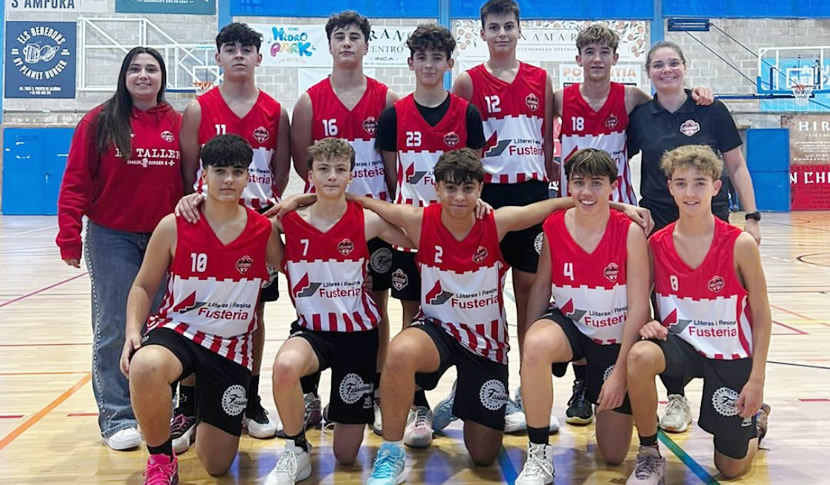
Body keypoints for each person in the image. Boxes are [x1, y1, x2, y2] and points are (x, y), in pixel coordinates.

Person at [356, 148, 649, 485]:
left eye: (468, 189)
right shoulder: (420, 221)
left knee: (485, 455)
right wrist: (315, 197)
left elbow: (557, 204)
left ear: (480, 189)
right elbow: (366, 204)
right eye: (450, 188)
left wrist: (619, 206)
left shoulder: (496, 222)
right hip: (438, 332)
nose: (459, 197)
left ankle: (461, 398)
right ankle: (391, 454)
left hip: (485, 345)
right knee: (399, 351)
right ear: (436, 188)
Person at [556, 25, 714, 427]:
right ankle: (582, 385)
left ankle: (674, 392)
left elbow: (670, 102)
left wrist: (697, 92)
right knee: (580, 298)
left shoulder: (631, 98)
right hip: (575, 212)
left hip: (624, 214)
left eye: (603, 52)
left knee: (651, 299)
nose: (596, 59)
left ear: (615, 58)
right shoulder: (559, 99)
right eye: (589, 51)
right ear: (578, 58)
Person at [119, 134, 283, 485]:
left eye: (237, 171)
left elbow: (298, 265)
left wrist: (298, 202)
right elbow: (143, 286)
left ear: (248, 177)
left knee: (217, 465)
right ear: (203, 174)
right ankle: (161, 459)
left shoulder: (263, 230)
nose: (228, 179)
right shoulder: (174, 225)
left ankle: (202, 415)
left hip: (230, 346)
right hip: (180, 330)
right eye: (219, 171)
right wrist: (133, 330)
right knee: (145, 365)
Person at [627, 40, 764, 433]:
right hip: (660, 221)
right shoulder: (641, 116)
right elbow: (620, 162)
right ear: (649, 73)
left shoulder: (711, 109)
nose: (666, 70)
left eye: (673, 63)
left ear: (685, 68)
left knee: (721, 307)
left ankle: (745, 386)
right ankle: (677, 397)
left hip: (709, 221)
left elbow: (736, 165)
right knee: (668, 310)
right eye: (658, 65)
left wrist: (752, 217)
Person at [262, 138, 412, 485]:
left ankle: (344, 416)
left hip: (358, 337)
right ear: (310, 175)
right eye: (324, 169)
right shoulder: (287, 221)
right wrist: (295, 201)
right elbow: (246, 222)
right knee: (284, 367)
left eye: (340, 169)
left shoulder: (367, 221)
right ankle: (296, 449)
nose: (332, 176)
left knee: (346, 455)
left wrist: (365, 200)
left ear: (351, 175)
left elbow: (416, 237)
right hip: (312, 332)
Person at [56, 46, 183, 451]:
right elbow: (76, 180)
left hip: (164, 238)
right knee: (114, 325)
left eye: (151, 69)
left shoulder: (178, 123)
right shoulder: (99, 121)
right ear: (124, 77)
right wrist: (69, 235)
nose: (143, 75)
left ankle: (162, 411)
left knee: (164, 326)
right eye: (135, 69)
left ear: (162, 77)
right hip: (113, 237)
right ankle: (117, 415)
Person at [175, 22, 291, 447]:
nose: (239, 54)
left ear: (259, 57)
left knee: (253, 314)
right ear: (218, 56)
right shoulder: (198, 109)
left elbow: (280, 171)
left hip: (254, 226)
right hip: (206, 224)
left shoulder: (275, 111)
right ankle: (188, 405)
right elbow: (189, 170)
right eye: (230, 48)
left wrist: (260, 208)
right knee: (193, 309)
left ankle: (248, 398)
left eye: (246, 48)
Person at [625, 145, 771, 484]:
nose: (690, 192)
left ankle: (755, 424)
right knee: (640, 355)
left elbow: (762, 316)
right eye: (681, 183)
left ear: (716, 187)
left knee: (730, 468)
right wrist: (647, 320)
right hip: (682, 347)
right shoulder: (656, 244)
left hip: (730, 352)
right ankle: (649, 452)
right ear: (670, 187)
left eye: (700, 183)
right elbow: (639, 299)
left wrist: (757, 379)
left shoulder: (740, 244)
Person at [286, 10, 400, 436]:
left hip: (371, 221)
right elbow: (302, 164)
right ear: (330, 44)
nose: (347, 42)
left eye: (355, 36)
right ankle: (310, 395)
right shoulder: (309, 101)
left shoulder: (386, 99)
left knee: (375, 307)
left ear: (366, 45)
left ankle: (372, 390)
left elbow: (392, 165)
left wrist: (384, 209)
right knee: (313, 300)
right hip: (325, 221)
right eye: (340, 36)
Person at [374, 22, 485, 445]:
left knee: (468, 310)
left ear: (448, 63)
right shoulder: (394, 115)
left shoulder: (467, 113)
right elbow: (393, 175)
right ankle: (418, 406)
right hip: (413, 232)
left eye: (437, 57)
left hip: (458, 231)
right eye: (421, 57)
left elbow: (473, 173)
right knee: (412, 313)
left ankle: (466, 391)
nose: (429, 65)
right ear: (410, 62)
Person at [448, 0, 555, 434]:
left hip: (531, 194)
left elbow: (545, 139)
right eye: (494, 27)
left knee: (530, 295)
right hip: (487, 197)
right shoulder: (468, 81)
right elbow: (462, 144)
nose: (502, 34)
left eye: (509, 26)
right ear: (482, 33)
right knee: (483, 296)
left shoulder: (541, 79)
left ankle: (530, 391)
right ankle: (478, 386)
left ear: (519, 29)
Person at [515, 148, 650, 485]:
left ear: (612, 187)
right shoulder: (554, 225)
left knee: (614, 454)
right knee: (536, 345)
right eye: (578, 183)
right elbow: (541, 287)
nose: (586, 192)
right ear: (568, 186)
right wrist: (528, 349)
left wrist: (620, 373)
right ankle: (539, 453)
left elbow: (639, 306)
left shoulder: (630, 231)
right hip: (572, 327)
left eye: (596, 183)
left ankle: (614, 400)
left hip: (613, 338)